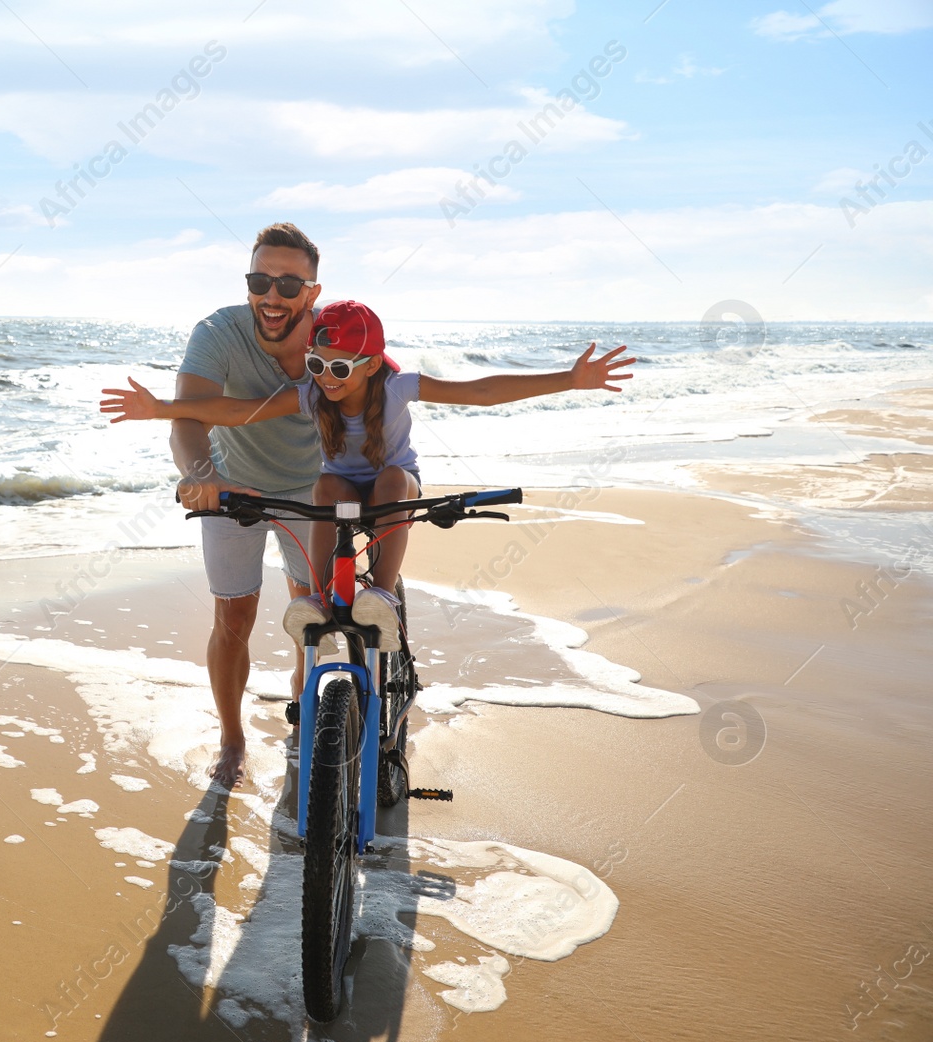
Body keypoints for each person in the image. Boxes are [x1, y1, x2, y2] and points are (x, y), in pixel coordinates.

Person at [104, 299, 634, 741]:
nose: (327, 379)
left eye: (340, 368)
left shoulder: (397, 387)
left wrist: (570, 379)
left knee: (389, 483)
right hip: (338, 490)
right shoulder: (313, 393)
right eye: (317, 365)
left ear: (372, 363)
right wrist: (163, 410)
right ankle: (315, 596)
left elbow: (479, 392)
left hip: (391, 488)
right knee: (326, 486)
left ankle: (380, 594)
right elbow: (240, 411)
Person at [159, 222, 325, 788]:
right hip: (233, 485)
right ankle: (232, 738)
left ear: (312, 292)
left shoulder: (331, 333)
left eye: (288, 284)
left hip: (314, 485)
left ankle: (305, 718)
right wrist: (202, 475)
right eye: (260, 280)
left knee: (310, 615)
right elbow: (187, 417)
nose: (272, 297)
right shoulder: (217, 331)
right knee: (234, 616)